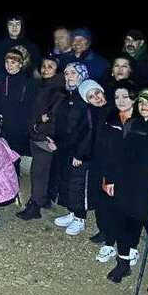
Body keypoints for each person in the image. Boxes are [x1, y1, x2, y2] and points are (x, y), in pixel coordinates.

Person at [101, 87, 148, 295]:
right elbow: (118, 155)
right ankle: (123, 263)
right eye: (141, 101)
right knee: (124, 226)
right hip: (127, 186)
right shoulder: (131, 125)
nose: (144, 105)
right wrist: (112, 180)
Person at [91, 82, 137, 272]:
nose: (120, 101)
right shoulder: (110, 117)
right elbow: (102, 145)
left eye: (125, 96)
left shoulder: (141, 120)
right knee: (109, 209)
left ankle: (131, 248)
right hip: (109, 172)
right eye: (117, 97)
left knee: (130, 213)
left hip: (132, 177)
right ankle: (110, 242)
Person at [19, 55, 64, 219]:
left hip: (44, 138)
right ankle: (43, 199)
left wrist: (38, 127)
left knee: (38, 172)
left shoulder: (57, 90)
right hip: (36, 135)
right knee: (42, 172)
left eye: (50, 66)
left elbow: (54, 117)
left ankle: (35, 206)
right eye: (44, 66)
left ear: (57, 70)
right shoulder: (44, 86)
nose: (46, 69)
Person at [51, 65, 94, 236]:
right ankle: (72, 212)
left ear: (82, 75)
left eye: (73, 73)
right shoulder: (67, 95)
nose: (69, 76)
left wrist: (80, 153)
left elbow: (88, 129)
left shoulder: (86, 98)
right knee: (67, 180)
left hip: (79, 151)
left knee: (78, 183)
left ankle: (80, 218)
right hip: (65, 148)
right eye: (67, 73)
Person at [0, 46, 36, 158]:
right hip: (4, 129)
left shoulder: (29, 83)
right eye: (7, 62)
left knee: (17, 161)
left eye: (13, 62)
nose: (9, 66)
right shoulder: (2, 80)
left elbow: (30, 108)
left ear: (20, 64)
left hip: (20, 130)